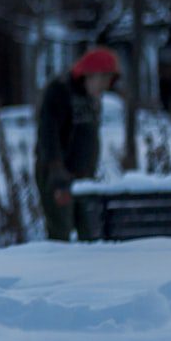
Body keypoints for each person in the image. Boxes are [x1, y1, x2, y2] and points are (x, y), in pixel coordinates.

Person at [35, 46, 120, 242]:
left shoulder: (92, 98)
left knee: (89, 232)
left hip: (84, 177)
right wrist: (55, 168)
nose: (105, 87)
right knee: (61, 233)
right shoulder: (59, 91)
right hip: (59, 175)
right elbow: (48, 133)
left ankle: (87, 272)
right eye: (103, 80)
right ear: (89, 75)